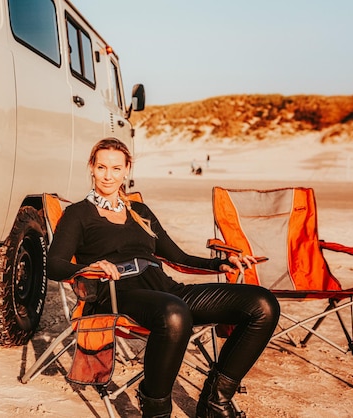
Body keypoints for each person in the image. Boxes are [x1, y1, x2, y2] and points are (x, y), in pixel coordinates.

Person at [47, 138, 280, 418]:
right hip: (116, 292)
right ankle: (155, 408)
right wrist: (90, 267)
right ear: (92, 168)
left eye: (116, 168)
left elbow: (178, 257)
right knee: (174, 313)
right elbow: (54, 264)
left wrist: (222, 264)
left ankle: (216, 400)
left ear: (127, 170)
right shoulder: (78, 214)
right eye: (102, 167)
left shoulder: (140, 212)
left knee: (263, 305)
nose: (108, 175)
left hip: (164, 289)